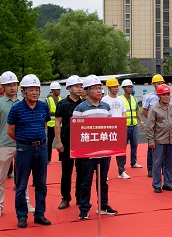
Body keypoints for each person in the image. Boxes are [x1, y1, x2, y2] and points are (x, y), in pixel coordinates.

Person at [6, 74, 51, 228]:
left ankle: (39, 214)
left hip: (42, 148)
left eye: (37, 90)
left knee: (41, 184)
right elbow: (10, 130)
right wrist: (23, 141)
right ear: (23, 92)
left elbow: (44, 125)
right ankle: (22, 216)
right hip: (24, 149)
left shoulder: (43, 106)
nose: (35, 93)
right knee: (21, 185)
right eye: (31, 90)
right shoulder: (16, 108)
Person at [0, 71, 34, 219]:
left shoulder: (24, 102)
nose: (12, 87)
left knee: (23, 176)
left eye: (14, 84)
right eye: (9, 85)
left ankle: (26, 203)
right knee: (0, 177)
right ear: (3, 87)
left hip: (22, 143)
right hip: (5, 144)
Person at [73, 75, 118, 219]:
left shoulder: (106, 107)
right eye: (95, 88)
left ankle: (103, 205)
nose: (99, 91)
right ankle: (84, 208)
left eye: (100, 88)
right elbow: (76, 131)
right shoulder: (80, 108)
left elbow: (110, 127)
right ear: (87, 91)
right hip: (87, 152)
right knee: (86, 180)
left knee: (103, 180)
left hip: (104, 150)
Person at [55, 75, 84, 209]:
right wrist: (58, 142)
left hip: (82, 141)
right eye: (76, 86)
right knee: (66, 171)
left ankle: (80, 197)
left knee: (81, 170)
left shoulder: (84, 104)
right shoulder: (62, 104)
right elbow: (57, 123)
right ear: (69, 88)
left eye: (81, 86)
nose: (79, 88)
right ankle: (65, 198)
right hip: (66, 141)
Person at [146, 83, 172, 193]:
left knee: (170, 163)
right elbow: (150, 126)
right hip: (159, 140)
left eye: (168, 94)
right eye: (164, 94)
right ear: (159, 96)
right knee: (157, 163)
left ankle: (167, 183)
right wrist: (151, 140)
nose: (166, 96)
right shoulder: (154, 109)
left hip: (171, 140)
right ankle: (156, 184)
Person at [102, 77, 130, 179]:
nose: (116, 88)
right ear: (109, 88)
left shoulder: (120, 99)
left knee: (121, 151)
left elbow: (124, 112)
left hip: (120, 128)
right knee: (107, 152)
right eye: (114, 87)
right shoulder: (104, 100)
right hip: (109, 129)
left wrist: (122, 123)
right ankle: (104, 173)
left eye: (117, 86)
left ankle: (121, 171)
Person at [142, 74, 167, 177]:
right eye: (158, 83)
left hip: (164, 127)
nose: (160, 85)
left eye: (162, 83)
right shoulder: (149, 97)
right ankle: (150, 169)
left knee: (164, 149)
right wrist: (151, 121)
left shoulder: (166, 96)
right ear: (154, 84)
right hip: (153, 127)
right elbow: (144, 110)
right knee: (152, 148)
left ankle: (163, 168)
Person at [120, 79, 143, 172]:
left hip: (134, 126)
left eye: (131, 87)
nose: (130, 88)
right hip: (124, 127)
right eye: (128, 87)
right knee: (123, 146)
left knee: (134, 145)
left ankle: (134, 162)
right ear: (124, 88)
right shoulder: (120, 99)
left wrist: (141, 121)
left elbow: (137, 111)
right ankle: (122, 165)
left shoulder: (134, 99)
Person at [46, 81, 62, 164]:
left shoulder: (61, 100)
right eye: (57, 90)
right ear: (52, 90)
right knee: (49, 143)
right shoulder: (48, 100)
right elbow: (46, 112)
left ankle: (61, 158)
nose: (59, 91)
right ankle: (48, 159)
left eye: (59, 89)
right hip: (50, 125)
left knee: (61, 141)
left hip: (60, 125)